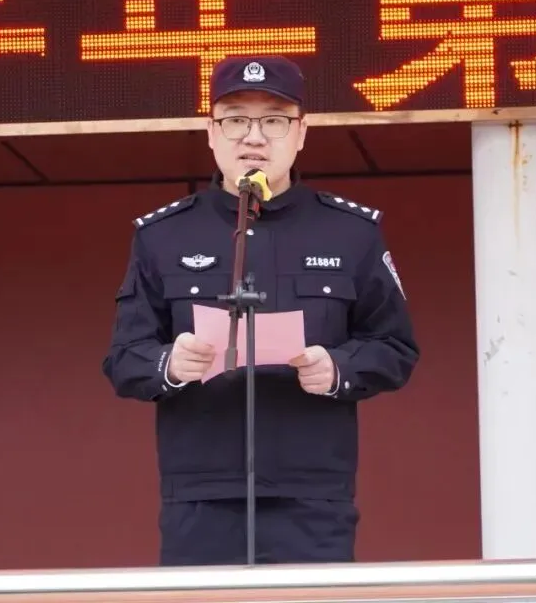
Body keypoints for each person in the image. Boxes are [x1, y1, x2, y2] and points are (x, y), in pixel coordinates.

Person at [102, 54, 420, 566]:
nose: (254, 137)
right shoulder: (163, 235)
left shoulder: (350, 232)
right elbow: (124, 358)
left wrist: (339, 369)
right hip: (200, 494)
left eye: (274, 120)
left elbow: (395, 346)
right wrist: (170, 365)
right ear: (211, 133)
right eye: (235, 120)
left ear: (301, 133)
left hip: (313, 493)